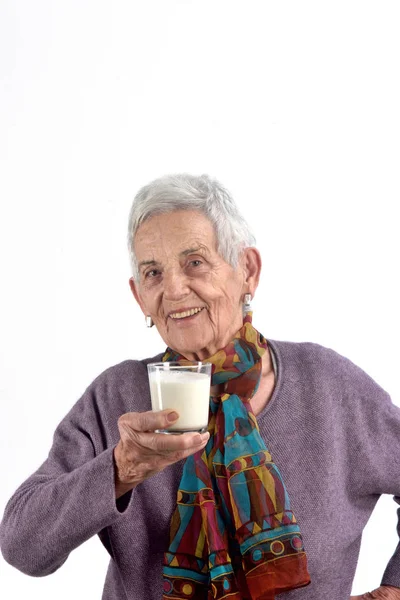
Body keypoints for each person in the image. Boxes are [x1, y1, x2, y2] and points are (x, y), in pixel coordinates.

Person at [1, 174, 400, 600]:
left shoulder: (329, 386)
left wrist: (393, 589)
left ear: (247, 270)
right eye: (153, 272)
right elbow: (23, 547)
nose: (173, 289)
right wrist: (121, 469)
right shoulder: (116, 396)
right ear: (140, 298)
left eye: (195, 262)